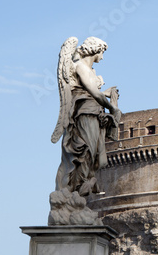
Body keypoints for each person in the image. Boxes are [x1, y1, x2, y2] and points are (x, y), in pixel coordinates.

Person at [52, 37, 122, 196]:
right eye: (102, 52)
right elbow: (94, 93)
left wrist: (108, 94)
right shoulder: (81, 67)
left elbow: (92, 93)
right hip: (85, 114)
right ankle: (77, 189)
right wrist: (111, 107)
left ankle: (81, 189)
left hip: (93, 114)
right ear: (95, 49)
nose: (102, 57)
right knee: (86, 152)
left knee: (95, 156)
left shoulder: (89, 70)